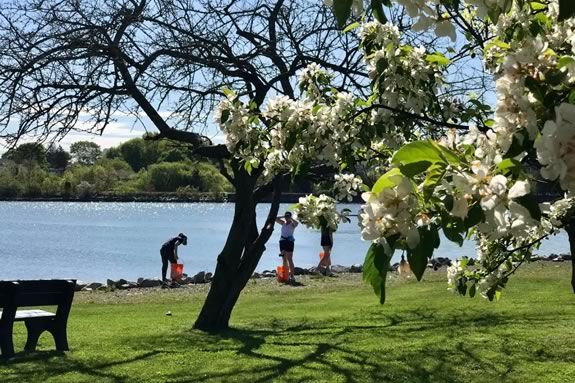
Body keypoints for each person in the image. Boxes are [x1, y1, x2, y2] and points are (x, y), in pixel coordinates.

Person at [276, 211, 298, 283]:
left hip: (289, 241)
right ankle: (286, 275)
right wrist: (283, 216)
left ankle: (292, 275)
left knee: (290, 259)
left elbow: (297, 223)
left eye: (288, 216)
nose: (287, 218)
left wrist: (291, 218)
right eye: (286, 216)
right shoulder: (283, 223)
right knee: (284, 259)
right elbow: (275, 219)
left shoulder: (292, 224)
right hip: (282, 241)